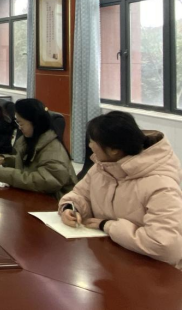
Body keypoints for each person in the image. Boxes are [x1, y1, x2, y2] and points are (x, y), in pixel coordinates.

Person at [59, 111, 182, 269]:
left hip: (153, 271)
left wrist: (108, 226)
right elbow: (80, 194)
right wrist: (70, 208)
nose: (90, 146)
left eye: (93, 141)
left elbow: (164, 245)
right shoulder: (102, 168)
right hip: (111, 259)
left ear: (114, 150)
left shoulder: (161, 185)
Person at [0, 99, 77, 199]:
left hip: (55, 201)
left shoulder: (54, 151)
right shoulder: (32, 139)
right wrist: (6, 160)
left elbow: (43, 181)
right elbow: (30, 163)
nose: (19, 128)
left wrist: (1, 174)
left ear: (34, 123)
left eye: (21, 123)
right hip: (36, 195)